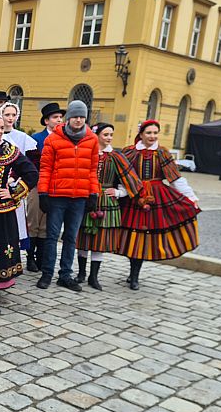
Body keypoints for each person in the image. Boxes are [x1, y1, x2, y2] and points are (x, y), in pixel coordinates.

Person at [120, 119, 200, 290]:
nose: (152, 136)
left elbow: (175, 178)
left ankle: (134, 276)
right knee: (131, 236)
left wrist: (190, 197)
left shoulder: (162, 153)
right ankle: (132, 273)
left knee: (143, 237)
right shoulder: (129, 152)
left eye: (155, 133)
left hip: (156, 197)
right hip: (134, 196)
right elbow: (121, 175)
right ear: (141, 134)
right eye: (149, 133)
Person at [36, 100, 100, 292]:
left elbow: (92, 169)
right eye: (75, 116)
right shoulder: (54, 139)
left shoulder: (92, 139)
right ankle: (47, 273)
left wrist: (93, 192)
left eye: (82, 117)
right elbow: (45, 168)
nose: (78, 120)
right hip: (57, 195)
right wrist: (43, 192)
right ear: (68, 118)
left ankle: (65, 275)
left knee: (71, 237)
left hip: (79, 197)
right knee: (52, 236)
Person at [0, 108, 38, 296]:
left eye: (1, 128)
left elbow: (31, 173)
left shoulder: (9, 149)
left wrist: (13, 192)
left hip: (0, 211)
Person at [75, 123, 142, 290]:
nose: (109, 138)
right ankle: (81, 273)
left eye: (111, 134)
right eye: (105, 134)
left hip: (106, 201)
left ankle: (93, 277)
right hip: (86, 199)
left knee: (100, 240)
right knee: (83, 237)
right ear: (96, 135)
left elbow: (131, 180)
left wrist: (119, 192)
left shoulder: (115, 156)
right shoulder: (86, 153)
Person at [27, 102, 65, 272]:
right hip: (38, 184)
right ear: (46, 120)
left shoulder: (64, 139)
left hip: (56, 186)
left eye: (60, 117)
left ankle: (41, 257)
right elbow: (30, 163)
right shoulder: (37, 139)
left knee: (47, 224)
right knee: (34, 221)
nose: (59, 120)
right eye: (55, 117)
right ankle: (30, 257)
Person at [1, 103, 37, 254]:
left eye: (13, 115)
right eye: (7, 115)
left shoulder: (23, 138)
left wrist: (16, 180)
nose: (10, 118)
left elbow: (32, 165)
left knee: (16, 223)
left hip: (15, 186)